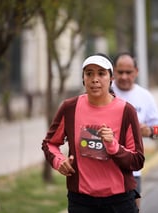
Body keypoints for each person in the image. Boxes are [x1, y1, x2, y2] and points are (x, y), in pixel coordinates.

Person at [42, 53, 145, 213]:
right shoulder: (70, 108)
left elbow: (137, 160)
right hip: (81, 201)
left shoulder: (126, 111)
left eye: (101, 73)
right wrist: (59, 161)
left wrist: (113, 146)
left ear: (111, 78)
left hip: (119, 201)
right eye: (89, 73)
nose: (95, 79)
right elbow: (50, 143)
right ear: (83, 78)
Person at [111, 52, 158, 208]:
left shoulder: (145, 96)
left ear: (136, 72)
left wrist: (149, 132)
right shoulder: (104, 92)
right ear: (114, 71)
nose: (125, 76)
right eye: (120, 72)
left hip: (132, 172)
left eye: (129, 72)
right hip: (105, 170)